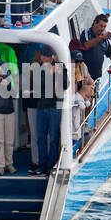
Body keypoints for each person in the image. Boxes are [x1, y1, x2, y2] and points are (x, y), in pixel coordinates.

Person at [30, 45, 66, 176]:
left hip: (55, 107)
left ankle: (51, 167)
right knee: (41, 139)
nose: (41, 58)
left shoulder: (60, 67)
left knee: (53, 139)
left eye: (43, 55)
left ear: (49, 57)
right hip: (42, 107)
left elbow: (66, 84)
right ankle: (42, 167)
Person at [74, 13, 111, 83]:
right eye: (101, 26)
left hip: (96, 77)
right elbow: (86, 45)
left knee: (93, 93)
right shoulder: (86, 33)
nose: (102, 28)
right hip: (83, 76)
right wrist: (101, 37)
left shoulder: (104, 39)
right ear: (95, 23)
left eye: (104, 26)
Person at [71, 77, 95, 151]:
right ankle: (73, 142)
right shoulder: (78, 98)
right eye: (86, 96)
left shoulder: (81, 97)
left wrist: (86, 101)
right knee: (75, 126)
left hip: (77, 115)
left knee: (77, 126)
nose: (87, 98)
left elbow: (86, 104)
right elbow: (83, 106)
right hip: (74, 115)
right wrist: (84, 102)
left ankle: (75, 140)